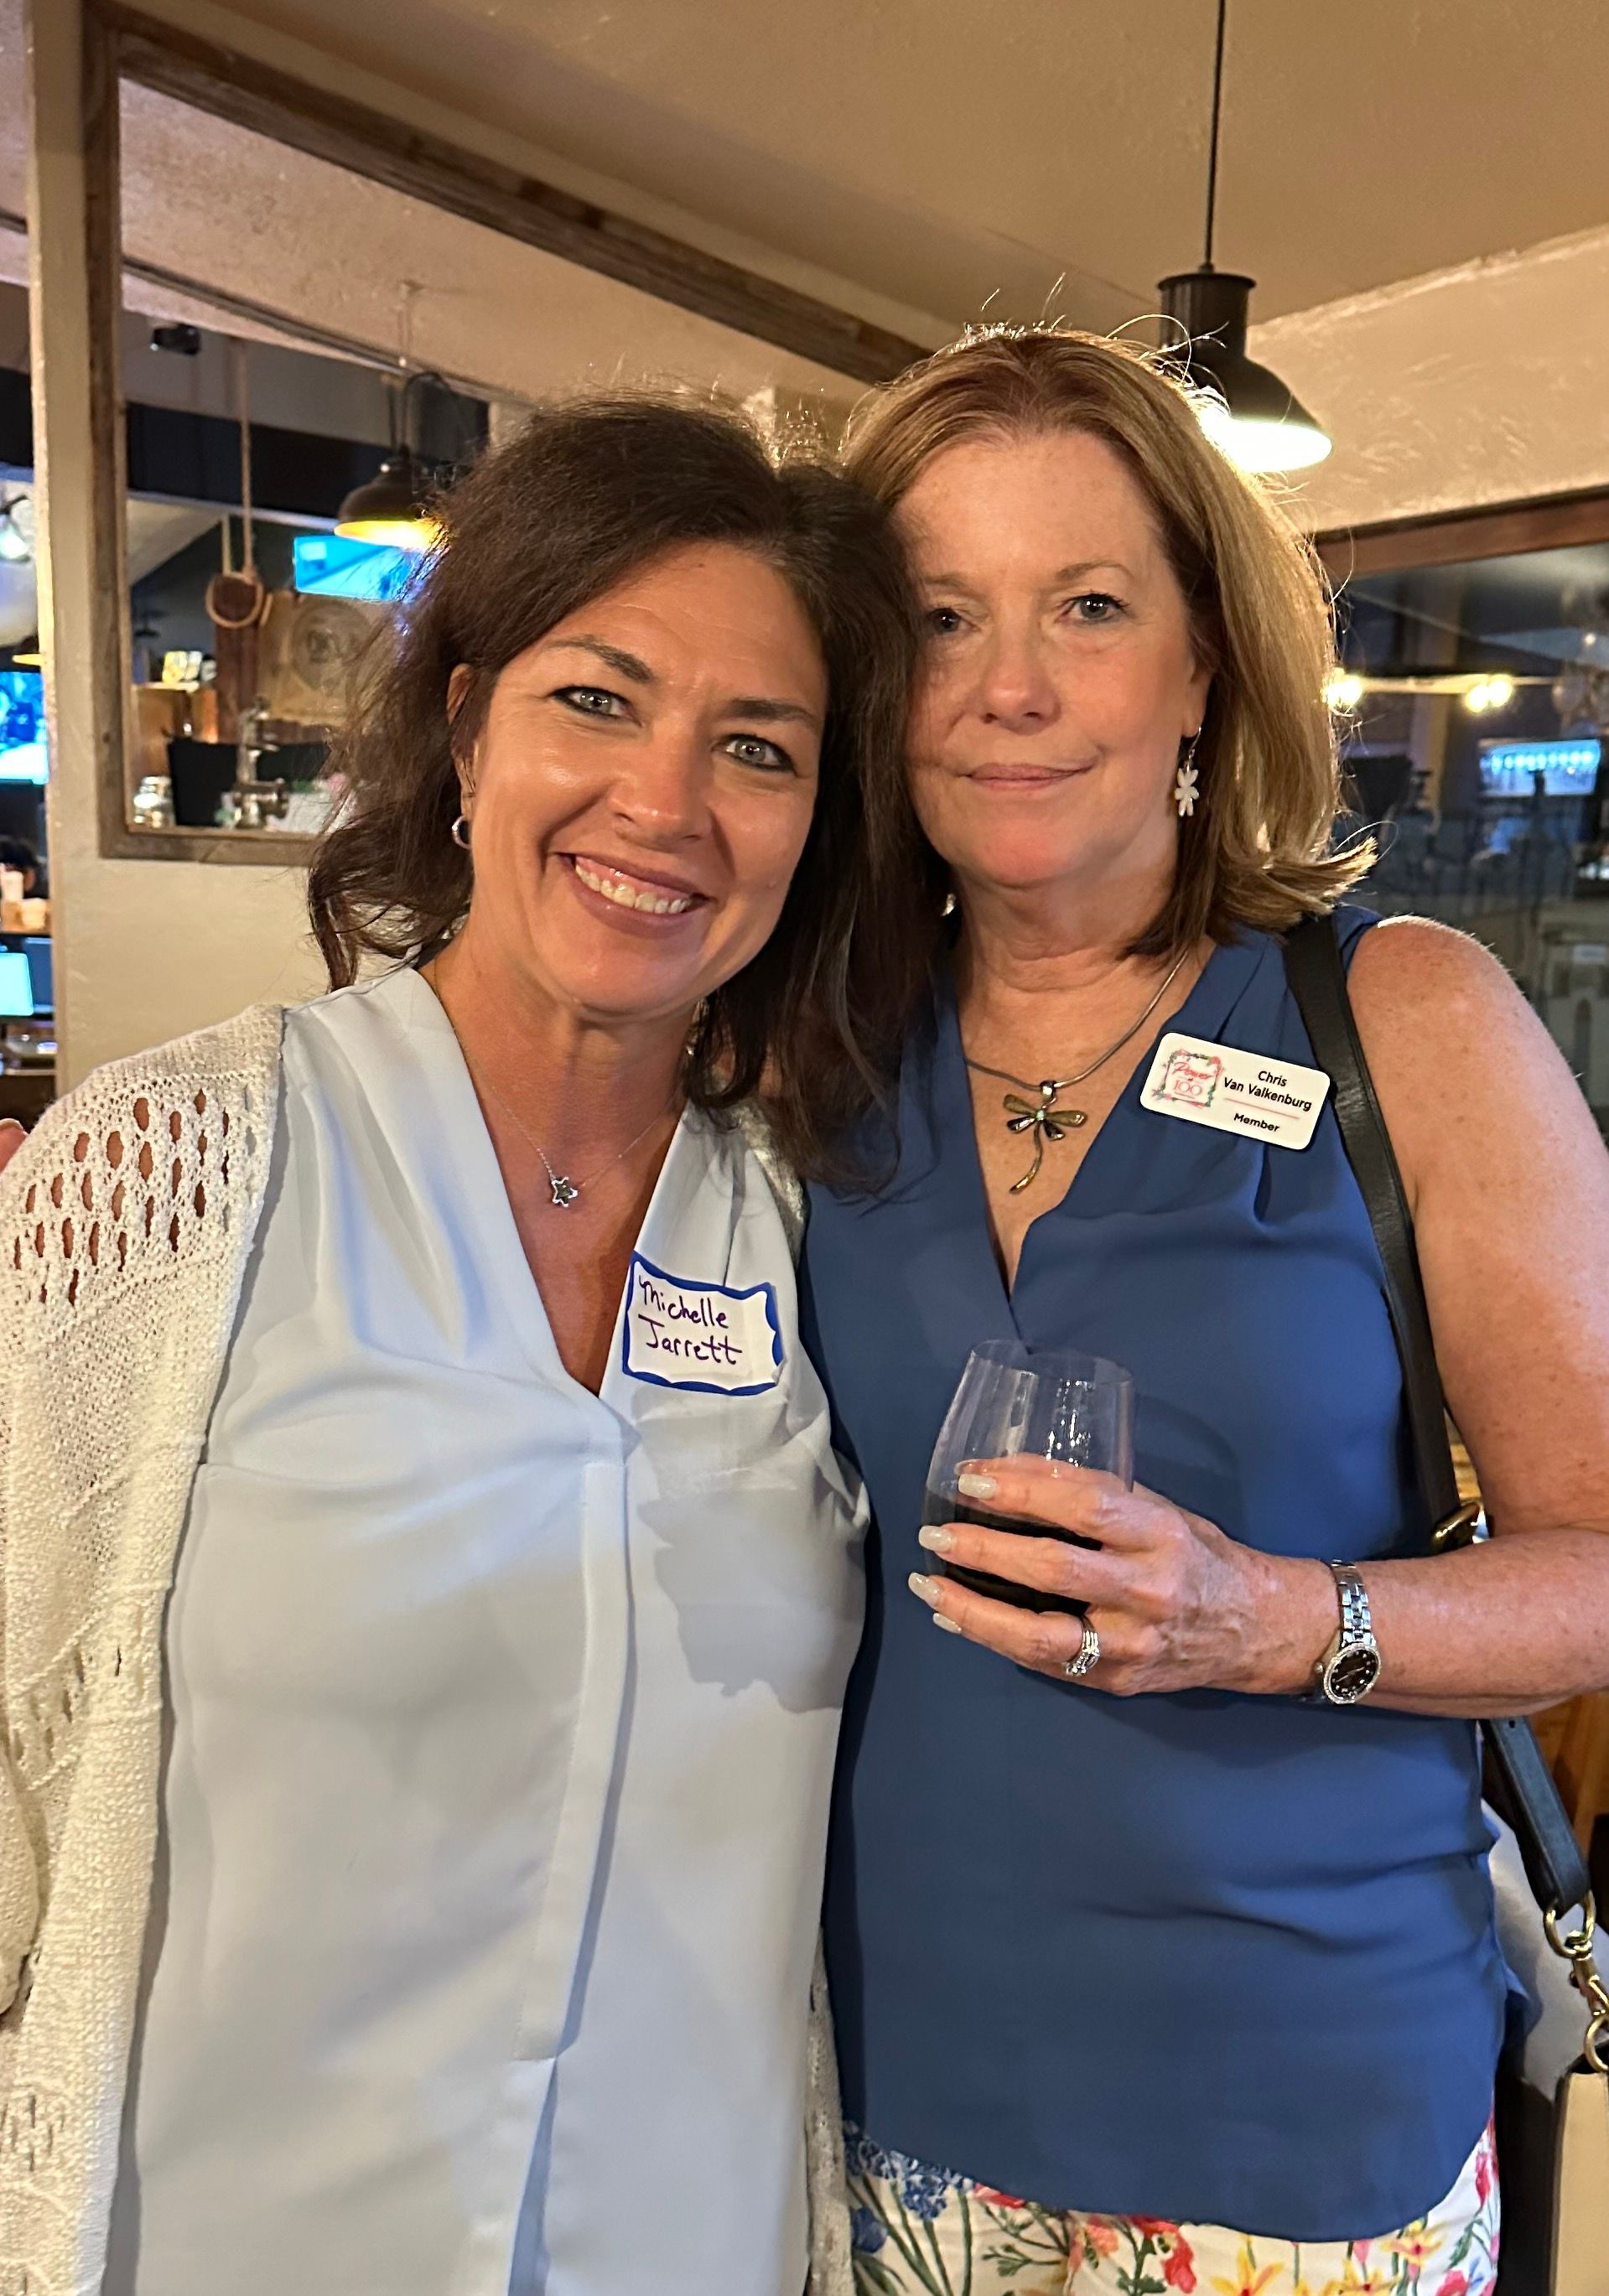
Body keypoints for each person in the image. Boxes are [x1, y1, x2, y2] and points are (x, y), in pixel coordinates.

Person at [0, 394, 917, 2294]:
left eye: (756, 745)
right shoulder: (166, 1174)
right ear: (473, 711)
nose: (665, 803)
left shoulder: (829, 1226)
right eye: (600, 696)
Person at [800, 328, 1609, 2294]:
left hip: (1296, 2130)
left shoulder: (1398, 1014)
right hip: (881, 2117)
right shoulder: (817, 1049)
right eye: (940, 617)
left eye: (1088, 604)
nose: (1010, 684)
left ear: (1202, 667)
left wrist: (1273, 1618)